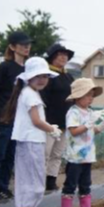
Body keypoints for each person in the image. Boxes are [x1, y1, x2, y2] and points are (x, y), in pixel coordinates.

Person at [1, 57, 61, 207]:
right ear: (28, 77)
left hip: (32, 141)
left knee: (31, 178)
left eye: (45, 76)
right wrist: (51, 129)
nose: (42, 79)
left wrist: (49, 129)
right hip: (31, 141)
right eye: (38, 76)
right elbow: (36, 121)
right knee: (32, 180)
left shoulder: (30, 93)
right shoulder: (29, 94)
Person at [59, 78, 104, 207]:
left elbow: (90, 131)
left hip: (87, 155)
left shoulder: (89, 112)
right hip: (75, 156)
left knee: (85, 183)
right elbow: (75, 131)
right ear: (78, 96)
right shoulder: (73, 112)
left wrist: (100, 127)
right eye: (88, 95)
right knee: (70, 183)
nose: (91, 98)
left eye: (92, 95)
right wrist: (89, 123)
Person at [0, 32, 31, 201]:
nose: (26, 47)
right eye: (22, 44)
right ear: (12, 47)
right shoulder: (4, 67)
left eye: (28, 44)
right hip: (3, 119)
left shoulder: (27, 70)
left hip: (20, 120)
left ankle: (2, 188)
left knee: (11, 156)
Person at [40, 44, 75, 192]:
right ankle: (39, 182)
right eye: (59, 54)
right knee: (44, 154)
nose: (63, 57)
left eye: (65, 55)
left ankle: (51, 181)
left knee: (57, 154)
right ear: (52, 57)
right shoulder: (46, 75)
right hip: (49, 122)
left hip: (64, 122)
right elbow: (43, 99)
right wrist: (45, 121)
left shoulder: (68, 76)